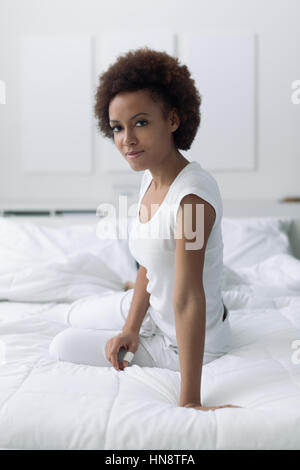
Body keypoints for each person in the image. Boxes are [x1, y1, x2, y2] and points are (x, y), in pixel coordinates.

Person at [49, 47, 241, 411]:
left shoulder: (192, 200)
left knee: (62, 343)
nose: (127, 141)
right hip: (155, 312)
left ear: (172, 119)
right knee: (73, 312)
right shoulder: (149, 177)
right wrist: (131, 329)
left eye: (140, 123)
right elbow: (147, 266)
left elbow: (188, 298)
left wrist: (190, 402)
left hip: (184, 341)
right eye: (117, 128)